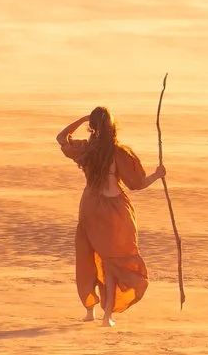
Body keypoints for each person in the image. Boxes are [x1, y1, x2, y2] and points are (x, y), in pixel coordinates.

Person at [56, 106, 166, 327]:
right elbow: (138, 184)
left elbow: (61, 138)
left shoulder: (86, 150)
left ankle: (90, 310)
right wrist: (158, 174)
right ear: (112, 127)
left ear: (93, 127)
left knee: (88, 255)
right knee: (113, 260)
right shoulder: (119, 152)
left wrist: (83, 118)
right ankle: (108, 315)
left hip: (90, 208)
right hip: (114, 211)